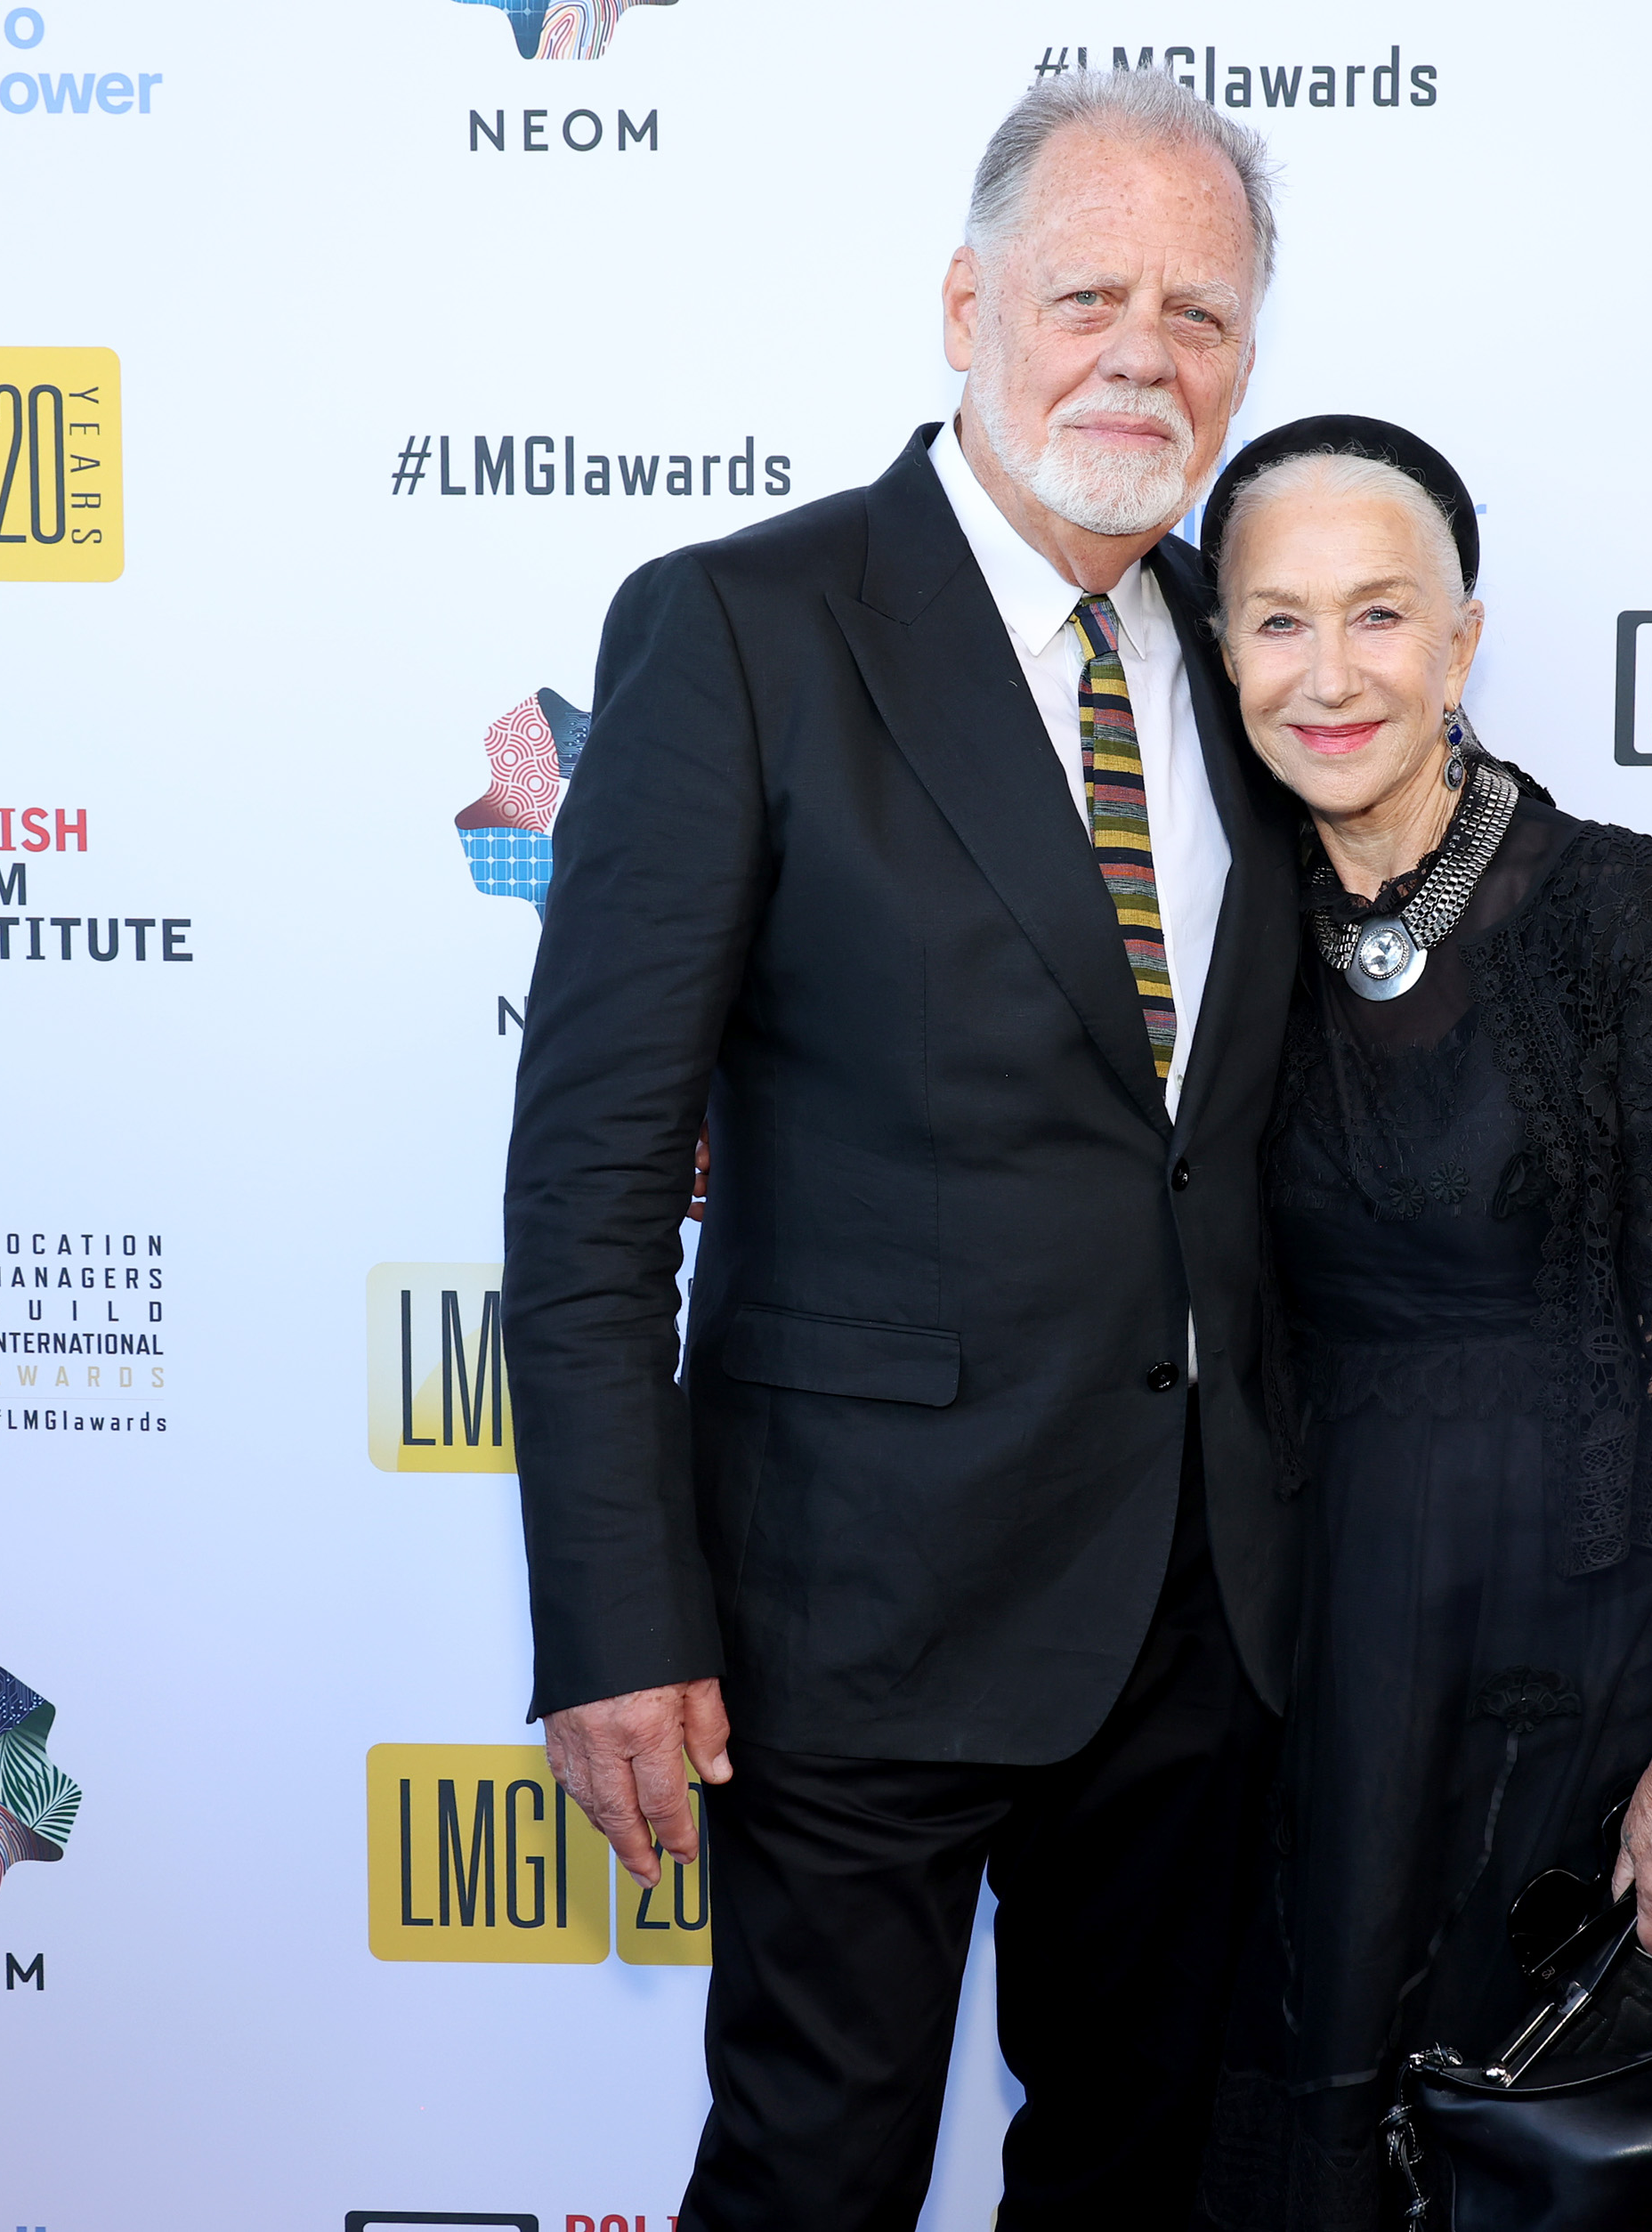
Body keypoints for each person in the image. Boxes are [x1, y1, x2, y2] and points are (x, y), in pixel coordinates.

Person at [499, 75, 1300, 2232]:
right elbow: (585, 1181)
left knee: (1139, 2180)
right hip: (838, 1618)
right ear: (966, 305)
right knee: (811, 2180)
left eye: (1201, 313)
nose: (1144, 352)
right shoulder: (742, 629)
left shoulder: (1253, 654)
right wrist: (608, 1618)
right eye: (1088, 295)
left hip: (1200, 1614)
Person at [1187, 419, 1652, 2229]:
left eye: (1379, 617)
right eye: (1273, 623)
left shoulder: (1623, 923)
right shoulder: (1207, 939)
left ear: (1461, 643)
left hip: (1614, 1676)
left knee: (1616, 2173)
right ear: (1216, 648)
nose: (1328, 675)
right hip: (1334, 1681)